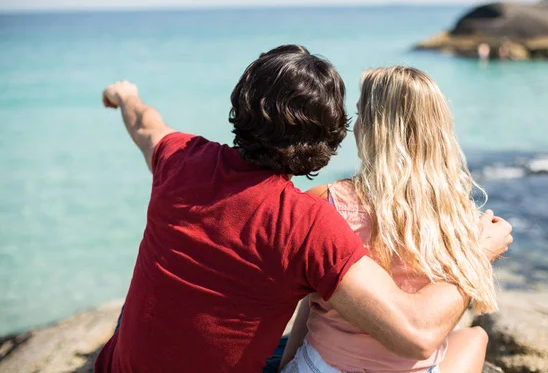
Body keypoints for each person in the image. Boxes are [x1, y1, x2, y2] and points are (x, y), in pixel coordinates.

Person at [94, 45, 513, 373]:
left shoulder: (182, 158)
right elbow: (416, 333)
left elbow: (145, 123)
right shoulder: (307, 224)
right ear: (330, 140)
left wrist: (125, 94)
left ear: (241, 102)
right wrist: (477, 252)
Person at [281, 66, 504, 373]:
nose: (353, 128)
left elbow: (310, 298)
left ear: (378, 129)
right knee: (474, 336)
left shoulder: (327, 201)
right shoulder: (458, 217)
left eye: (361, 116)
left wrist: (286, 365)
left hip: (324, 367)